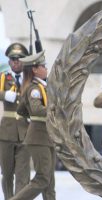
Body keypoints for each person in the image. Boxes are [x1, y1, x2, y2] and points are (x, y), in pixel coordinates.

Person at [10, 50, 56, 200]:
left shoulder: (43, 87)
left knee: (49, 182)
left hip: (47, 137)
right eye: (43, 66)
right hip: (38, 138)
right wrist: (56, 110)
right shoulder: (35, 89)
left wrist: (31, 117)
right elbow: (36, 109)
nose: (46, 68)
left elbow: (21, 110)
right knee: (42, 178)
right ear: (35, 69)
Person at [0, 43, 30, 200]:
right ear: (9, 61)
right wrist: (4, 95)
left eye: (19, 59)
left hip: (26, 131)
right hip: (7, 132)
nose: (16, 62)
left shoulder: (31, 79)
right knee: (7, 174)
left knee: (23, 175)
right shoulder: (4, 77)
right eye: (13, 59)